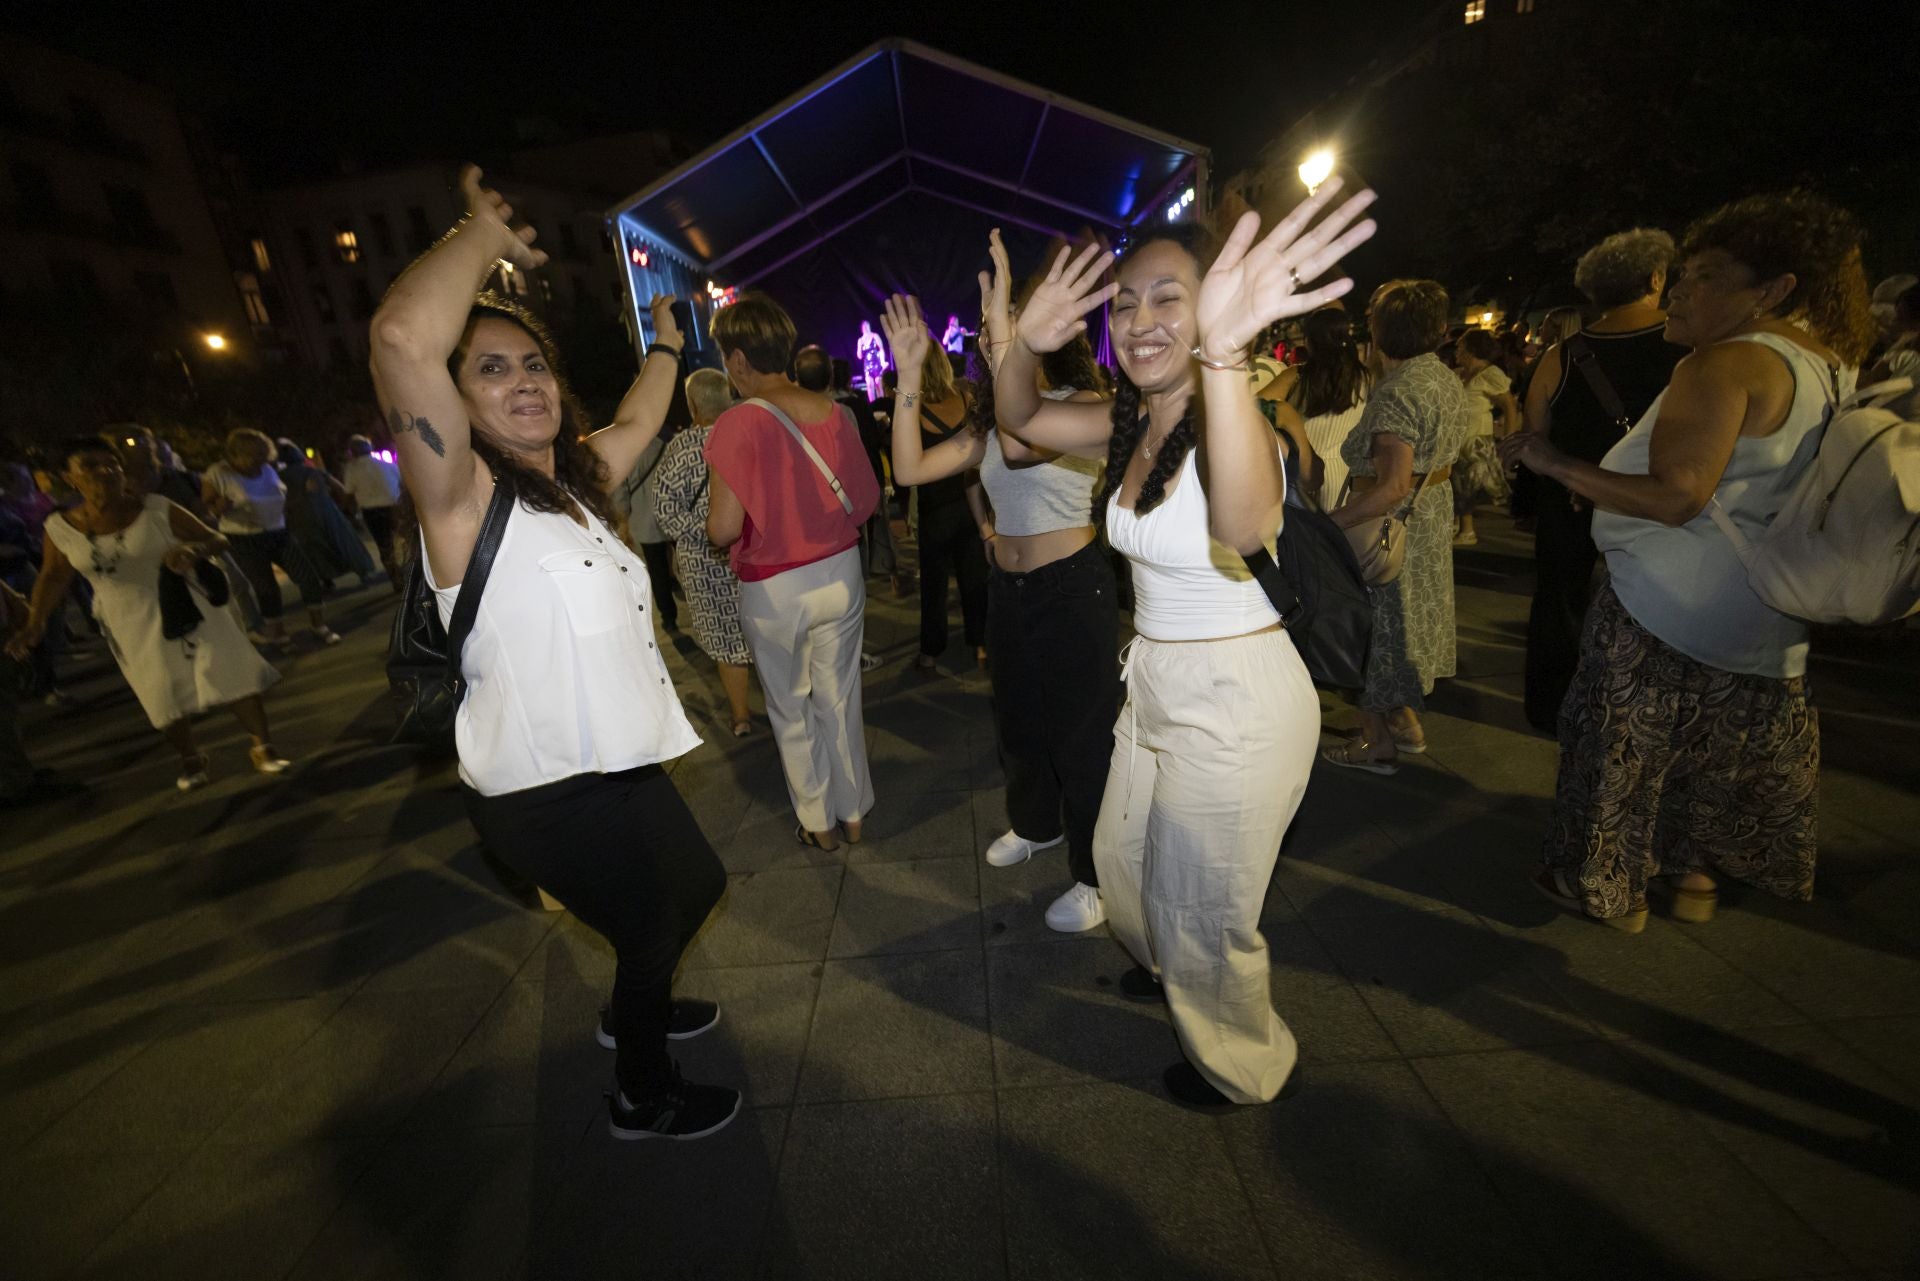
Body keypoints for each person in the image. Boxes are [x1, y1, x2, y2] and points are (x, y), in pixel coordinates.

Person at [370, 166, 734, 1140]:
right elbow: (402, 337)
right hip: (542, 789)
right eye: (490, 368)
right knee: (656, 924)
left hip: (619, 762)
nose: (522, 380)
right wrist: (479, 232)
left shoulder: (574, 483)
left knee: (696, 887)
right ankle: (642, 1093)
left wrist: (664, 342)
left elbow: (645, 417)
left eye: (532, 365)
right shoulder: (461, 502)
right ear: (454, 402)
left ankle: (634, 1003)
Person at [995, 182, 1377, 1106]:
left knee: (1207, 904)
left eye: (1169, 296)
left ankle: (1243, 1064)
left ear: (1211, 306)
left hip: (1237, 692)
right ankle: (1173, 961)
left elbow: (1246, 523)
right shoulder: (1131, 421)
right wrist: (1020, 342)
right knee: (1122, 858)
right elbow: (1019, 421)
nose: (1140, 319)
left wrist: (1228, 357)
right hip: (1157, 677)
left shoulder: (1231, 418)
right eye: (1123, 303)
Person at [1501, 190, 1874, 932]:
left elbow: (1677, 495)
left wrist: (1555, 463)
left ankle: (1607, 887)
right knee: (1710, 748)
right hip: (1764, 604)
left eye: (1702, 275)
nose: (1678, 290)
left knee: (1622, 745)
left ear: (1771, 289)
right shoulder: (1829, 363)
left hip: (1668, 602)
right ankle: (1694, 875)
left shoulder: (1724, 365)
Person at [878, 233, 1117, 933]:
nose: (986, 336)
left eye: (997, 325)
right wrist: (910, 376)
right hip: (1009, 591)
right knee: (1017, 722)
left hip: (1072, 589)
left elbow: (1019, 440)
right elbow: (909, 471)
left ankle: (1096, 874)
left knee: (1082, 737)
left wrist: (1012, 326)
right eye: (983, 328)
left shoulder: (1074, 402)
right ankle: (1036, 823)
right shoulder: (990, 417)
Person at [5, 437, 289, 790]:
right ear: (69, 477)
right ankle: (191, 758)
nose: (106, 470)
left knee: (230, 669)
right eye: (91, 465)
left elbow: (218, 539)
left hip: (187, 605)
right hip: (126, 619)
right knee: (160, 690)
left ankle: (263, 747)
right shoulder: (59, 528)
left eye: (112, 462)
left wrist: (194, 549)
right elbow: (53, 575)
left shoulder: (155, 508)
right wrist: (35, 623)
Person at [704, 292, 882, 852]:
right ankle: (854, 813)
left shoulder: (736, 424)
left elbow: (723, 529)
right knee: (840, 696)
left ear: (736, 360)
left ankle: (819, 822)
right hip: (840, 570)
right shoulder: (836, 411)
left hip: (775, 586)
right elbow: (867, 500)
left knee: (790, 707)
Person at [1519, 228, 1685, 731]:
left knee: (1559, 602)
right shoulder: (1693, 352)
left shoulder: (1562, 356)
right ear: (1656, 278)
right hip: (1660, 501)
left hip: (1573, 499)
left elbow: (1535, 437)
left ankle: (1552, 708)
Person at [1322, 280, 1469, 772]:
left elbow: (1391, 486)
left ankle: (1374, 741)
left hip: (1388, 525)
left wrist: (1325, 527)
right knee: (1403, 628)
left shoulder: (1397, 392)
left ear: (1379, 332)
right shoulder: (1443, 379)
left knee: (1374, 631)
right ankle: (1406, 724)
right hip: (1427, 523)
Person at [654, 368, 758, 737]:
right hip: (755, 555)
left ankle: (741, 716)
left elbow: (666, 515)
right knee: (770, 633)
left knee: (728, 642)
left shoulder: (678, 450)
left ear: (692, 404)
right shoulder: (749, 437)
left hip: (705, 565)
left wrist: (707, 530)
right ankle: (790, 708)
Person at [898, 320, 990, 672]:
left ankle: (930, 652)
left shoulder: (912, 408)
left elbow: (906, 466)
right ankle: (980, 646)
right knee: (974, 580)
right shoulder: (967, 397)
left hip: (934, 510)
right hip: (971, 503)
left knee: (934, 586)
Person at [203, 428, 339, 646]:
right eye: (254, 459)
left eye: (262, 457)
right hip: (244, 537)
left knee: (308, 577)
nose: (259, 463)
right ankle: (279, 635)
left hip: (278, 531)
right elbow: (208, 507)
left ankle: (319, 625)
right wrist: (219, 506)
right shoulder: (218, 473)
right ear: (236, 455)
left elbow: (279, 495)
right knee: (266, 588)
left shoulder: (266, 468)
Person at [1260, 305, 1369, 510]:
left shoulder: (1297, 376)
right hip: (1343, 475)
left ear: (1310, 341)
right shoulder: (1364, 377)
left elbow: (1257, 407)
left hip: (1301, 472)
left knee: (1305, 538)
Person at [1450, 328, 1519, 547]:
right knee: (1456, 483)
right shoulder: (1459, 373)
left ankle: (1467, 531)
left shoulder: (1490, 374)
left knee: (1466, 485)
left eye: (1460, 346)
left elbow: (1509, 406)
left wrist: (1509, 437)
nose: (1457, 350)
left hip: (1476, 438)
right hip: (1458, 438)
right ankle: (1457, 525)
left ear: (1472, 349)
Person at [277, 438, 377, 586]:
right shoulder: (314, 472)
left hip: (299, 517)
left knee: (314, 549)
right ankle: (362, 572)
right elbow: (340, 488)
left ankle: (327, 580)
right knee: (343, 542)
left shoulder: (280, 477)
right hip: (326, 511)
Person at [612, 428, 680, 632]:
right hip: (675, 514)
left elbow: (620, 492)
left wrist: (623, 519)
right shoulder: (668, 445)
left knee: (657, 570)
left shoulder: (626, 453)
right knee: (684, 561)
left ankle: (668, 617)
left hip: (644, 518)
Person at [342, 434, 405, 589]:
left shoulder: (352, 469)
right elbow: (402, 484)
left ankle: (396, 579)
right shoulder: (386, 464)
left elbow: (348, 492)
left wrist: (349, 513)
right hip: (394, 507)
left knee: (384, 545)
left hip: (372, 512)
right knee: (403, 540)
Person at [856, 319, 887, 399]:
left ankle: (882, 404)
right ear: (862, 328)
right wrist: (860, 346)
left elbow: (881, 349)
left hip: (877, 363)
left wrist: (882, 361)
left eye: (867, 325)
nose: (866, 327)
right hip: (867, 365)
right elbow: (859, 356)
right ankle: (872, 407)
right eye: (864, 326)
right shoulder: (861, 340)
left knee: (878, 385)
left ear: (869, 326)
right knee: (870, 386)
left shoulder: (874, 336)